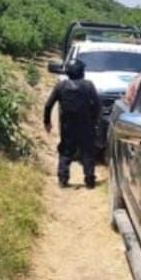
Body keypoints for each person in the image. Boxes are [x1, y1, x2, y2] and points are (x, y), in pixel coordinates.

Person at [44, 59, 101, 189]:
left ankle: (63, 179)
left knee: (66, 151)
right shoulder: (88, 85)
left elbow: (48, 105)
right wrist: (94, 121)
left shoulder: (61, 86)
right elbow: (97, 105)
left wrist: (47, 122)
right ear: (82, 72)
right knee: (87, 152)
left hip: (67, 126)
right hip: (86, 125)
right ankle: (89, 180)